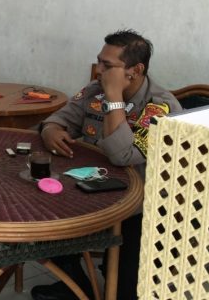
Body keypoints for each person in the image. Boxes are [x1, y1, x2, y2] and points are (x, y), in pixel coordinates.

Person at [31, 29, 182, 300]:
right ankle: (76, 284)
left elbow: (123, 156)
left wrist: (114, 98)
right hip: (91, 188)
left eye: (107, 65)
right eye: (99, 62)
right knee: (41, 209)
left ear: (135, 70)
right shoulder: (94, 91)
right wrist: (50, 130)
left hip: (141, 205)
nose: (99, 70)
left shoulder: (160, 107)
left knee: (126, 290)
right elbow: (58, 119)